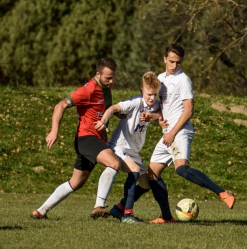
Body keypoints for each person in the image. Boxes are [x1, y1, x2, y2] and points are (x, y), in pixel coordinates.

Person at [145, 43, 235, 224]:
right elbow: (161, 107)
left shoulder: (183, 80)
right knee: (151, 175)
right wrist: (156, 118)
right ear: (164, 59)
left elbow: (188, 110)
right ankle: (166, 217)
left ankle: (222, 192)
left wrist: (172, 133)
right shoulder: (160, 78)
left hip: (179, 132)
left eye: (178, 62)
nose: (174, 66)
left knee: (182, 169)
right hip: (167, 134)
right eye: (171, 61)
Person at [31, 57, 121, 219]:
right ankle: (99, 206)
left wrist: (120, 112)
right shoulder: (88, 90)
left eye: (113, 77)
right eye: (108, 78)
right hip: (86, 139)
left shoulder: (105, 88)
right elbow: (61, 105)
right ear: (97, 74)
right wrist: (54, 131)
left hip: (94, 140)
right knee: (114, 163)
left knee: (76, 182)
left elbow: (105, 110)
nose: (112, 81)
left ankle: (40, 211)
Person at [92, 71, 164, 223]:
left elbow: (159, 113)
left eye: (155, 95)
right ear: (141, 91)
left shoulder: (155, 104)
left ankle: (118, 209)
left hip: (133, 152)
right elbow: (113, 108)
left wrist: (156, 119)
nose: (152, 98)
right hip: (119, 147)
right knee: (135, 170)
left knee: (146, 184)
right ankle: (128, 215)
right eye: (149, 94)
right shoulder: (135, 103)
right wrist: (104, 120)